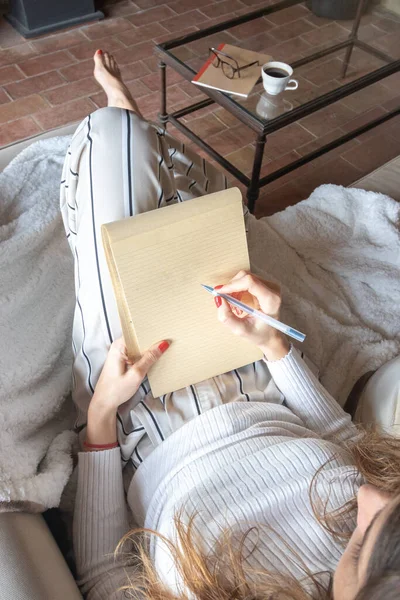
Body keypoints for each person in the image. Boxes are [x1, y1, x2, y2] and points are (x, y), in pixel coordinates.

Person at [61, 51, 400, 600]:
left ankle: (130, 122)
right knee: (214, 214)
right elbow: (340, 437)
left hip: (143, 412)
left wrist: (100, 411)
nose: (374, 496)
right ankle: (145, 144)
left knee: (114, 137)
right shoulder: (380, 514)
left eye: (362, 541)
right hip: (257, 380)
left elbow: (107, 579)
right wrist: (276, 344)